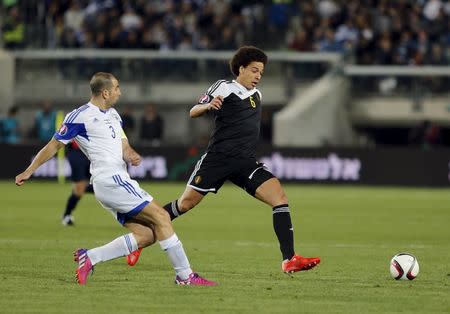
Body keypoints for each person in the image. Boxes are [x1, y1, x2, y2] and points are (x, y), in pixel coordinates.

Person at [15, 72, 216, 286]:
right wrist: (30, 170)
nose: (120, 92)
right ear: (105, 92)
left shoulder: (113, 114)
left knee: (147, 235)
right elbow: (53, 145)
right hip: (109, 179)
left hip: (118, 179)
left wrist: (130, 154)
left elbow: (123, 145)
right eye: (117, 88)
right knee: (161, 217)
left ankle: (90, 257)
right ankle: (185, 276)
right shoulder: (79, 116)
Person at [160, 46, 320, 274]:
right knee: (185, 204)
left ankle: (289, 259)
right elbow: (193, 111)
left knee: (280, 198)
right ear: (241, 69)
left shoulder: (257, 95)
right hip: (219, 159)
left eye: (261, 73)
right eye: (254, 70)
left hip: (245, 162)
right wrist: (208, 105)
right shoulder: (224, 87)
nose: (258, 76)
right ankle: (139, 234)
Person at [61, 141, 95, 226]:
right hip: (76, 152)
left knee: (99, 185)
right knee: (80, 189)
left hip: (93, 152)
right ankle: (67, 215)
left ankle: (80, 188)